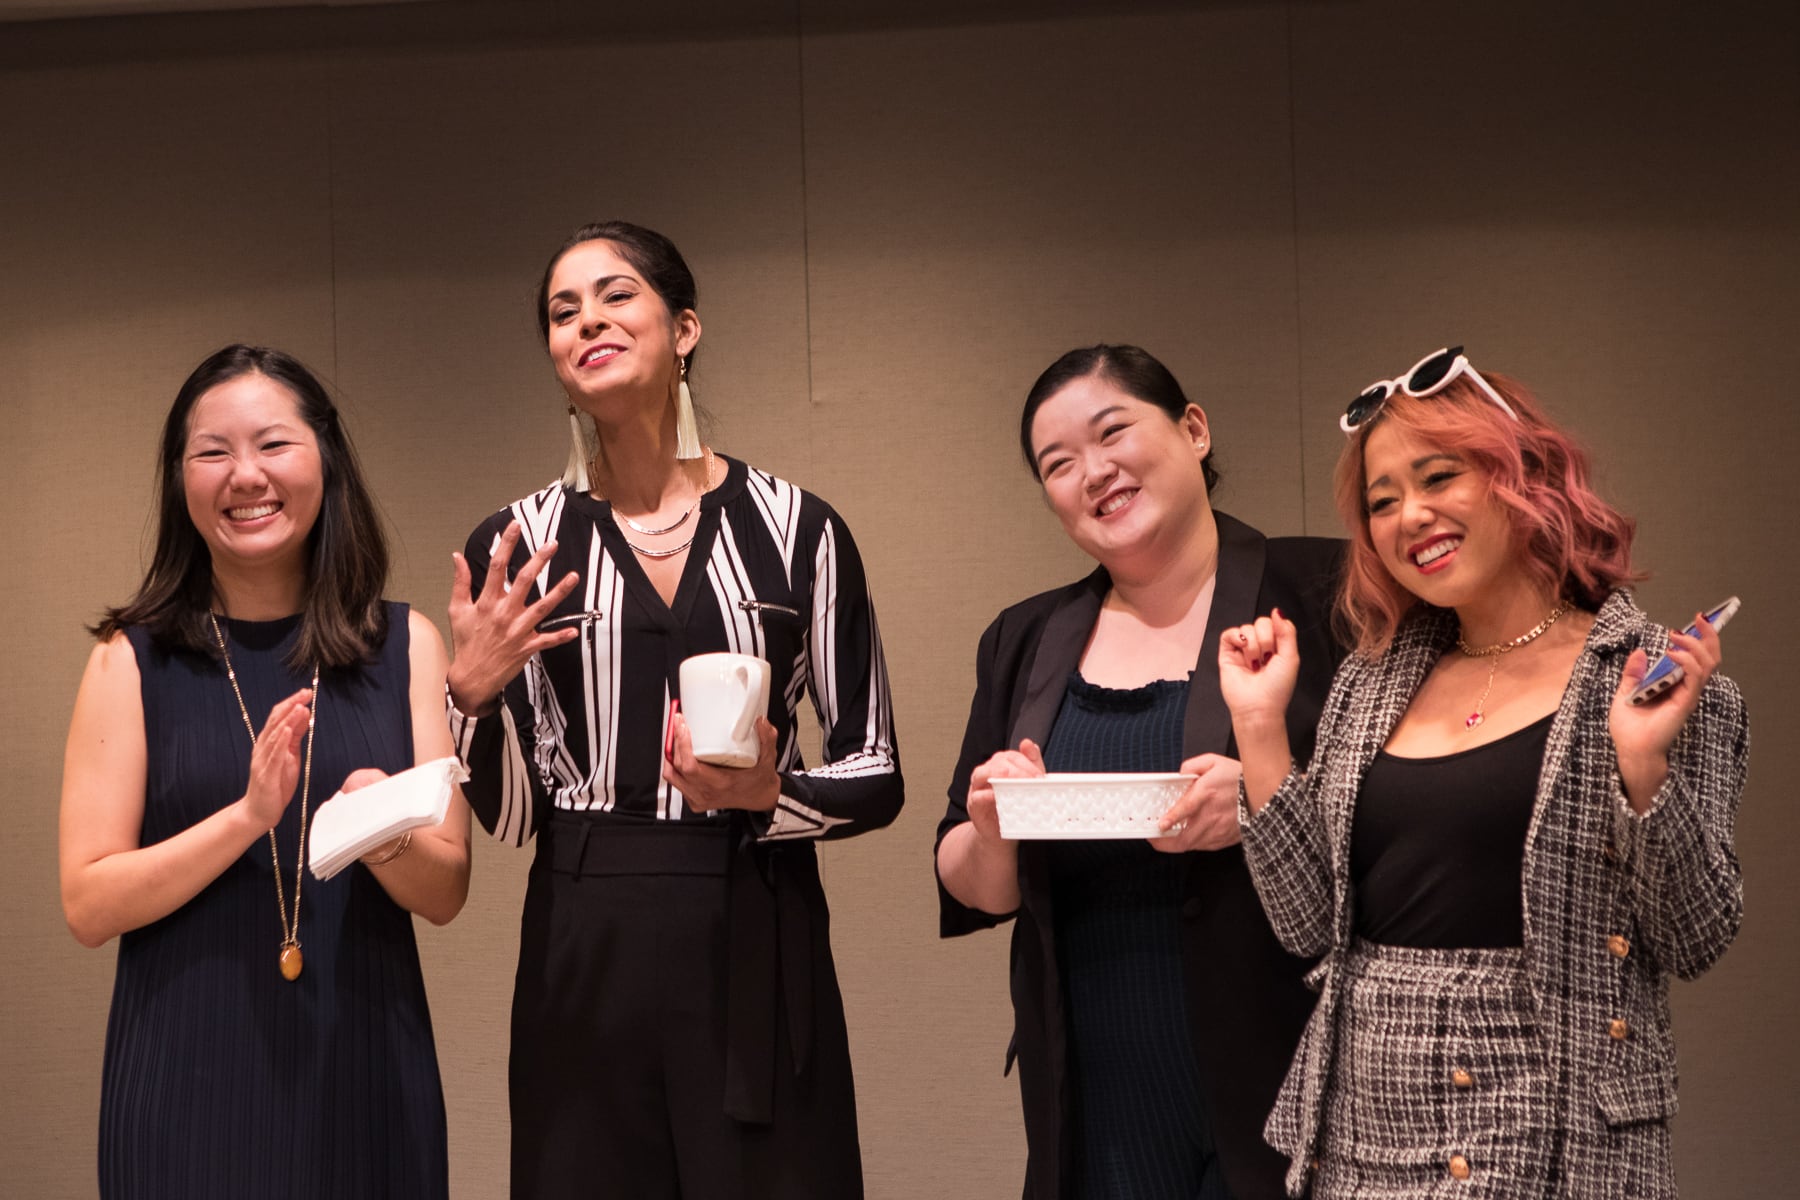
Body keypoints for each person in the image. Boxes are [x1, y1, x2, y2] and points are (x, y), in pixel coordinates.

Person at [1219, 347, 1748, 1198]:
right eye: (1382, 501)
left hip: (1558, 1123)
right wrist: (1258, 725)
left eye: (1438, 479)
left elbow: (1695, 937)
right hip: (1365, 1124)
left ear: (1524, 479)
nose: (1409, 517)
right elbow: (1306, 925)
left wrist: (1642, 764)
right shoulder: (1369, 681)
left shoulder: (1652, 678)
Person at [446, 220, 903, 1198]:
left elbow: (878, 770)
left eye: (615, 296)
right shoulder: (518, 543)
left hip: (751, 916)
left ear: (684, 327)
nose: (586, 322)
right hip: (582, 928)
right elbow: (519, 817)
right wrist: (467, 701)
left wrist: (770, 794)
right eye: (562, 313)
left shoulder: (798, 528)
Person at [936, 345, 1346, 1200]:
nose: (1094, 472)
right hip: (1095, 1093)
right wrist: (990, 827)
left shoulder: (1327, 590)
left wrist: (1266, 805)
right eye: (1058, 464)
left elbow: (1416, 818)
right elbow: (976, 888)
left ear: (1193, 430)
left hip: (1293, 1073)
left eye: (1112, 432)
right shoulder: (1026, 638)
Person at [59, 344, 469, 1198]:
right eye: (213, 452)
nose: (245, 475)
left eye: (273, 445)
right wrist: (247, 817)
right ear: (182, 480)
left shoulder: (405, 646)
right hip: (181, 1086)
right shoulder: (128, 661)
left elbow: (446, 893)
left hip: (365, 1079)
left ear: (326, 457)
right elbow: (89, 904)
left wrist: (382, 835)